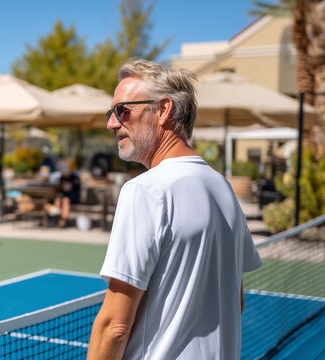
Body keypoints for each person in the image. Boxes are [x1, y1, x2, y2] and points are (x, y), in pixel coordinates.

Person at [87, 59, 262, 360]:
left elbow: (114, 325)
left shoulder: (144, 190)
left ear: (163, 109)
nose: (112, 123)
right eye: (111, 112)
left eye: (121, 110)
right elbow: (237, 300)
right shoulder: (222, 188)